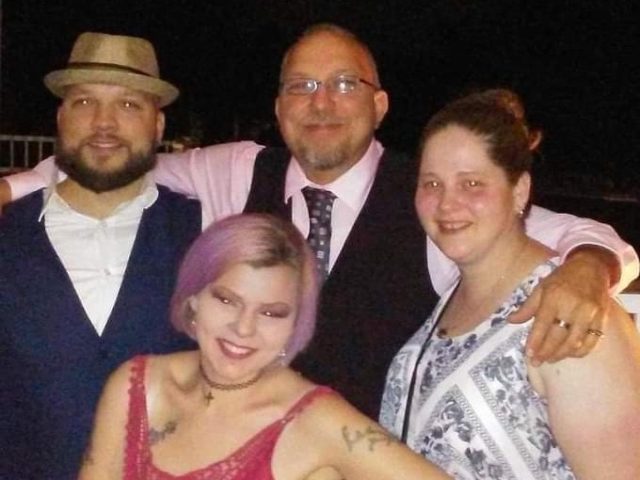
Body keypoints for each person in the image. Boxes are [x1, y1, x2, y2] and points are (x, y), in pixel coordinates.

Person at [1, 24, 638, 419]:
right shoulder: (238, 171)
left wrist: (588, 268)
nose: (322, 103)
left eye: (343, 84)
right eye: (301, 87)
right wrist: (12, 186)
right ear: (280, 108)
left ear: (379, 104)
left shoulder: (430, 194)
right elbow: (113, 160)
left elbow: (566, 232)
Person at [380, 90, 640, 478]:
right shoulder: (453, 295)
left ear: (519, 190)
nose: (446, 203)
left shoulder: (569, 317)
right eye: (431, 184)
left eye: (471, 183)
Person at [78, 213, 452, 480]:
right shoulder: (138, 386)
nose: (244, 328)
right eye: (227, 300)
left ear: (295, 322)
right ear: (193, 298)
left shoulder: (316, 420)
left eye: (272, 313)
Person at [0, 33, 201, 479]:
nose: (104, 123)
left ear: (158, 125)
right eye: (85, 102)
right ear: (61, 117)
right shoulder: (7, 233)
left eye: (128, 104)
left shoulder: (203, 234)